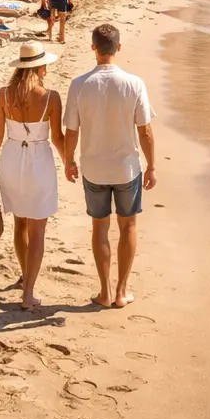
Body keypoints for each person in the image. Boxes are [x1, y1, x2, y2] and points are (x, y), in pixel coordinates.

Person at [62, 24, 156, 309]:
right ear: (119, 48)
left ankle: (103, 292)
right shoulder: (134, 83)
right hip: (127, 168)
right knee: (128, 226)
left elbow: (72, 131)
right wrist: (151, 166)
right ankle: (121, 291)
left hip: (94, 168)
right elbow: (145, 131)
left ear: (93, 48)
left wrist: (69, 161)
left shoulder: (79, 84)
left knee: (99, 228)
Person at [0, 42, 64, 310]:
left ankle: (24, 275)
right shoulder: (50, 97)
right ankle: (28, 292)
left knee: (20, 222)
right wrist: (69, 162)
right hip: (38, 160)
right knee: (38, 228)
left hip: (12, 158)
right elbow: (57, 137)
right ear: (41, 68)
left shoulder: (4, 94)